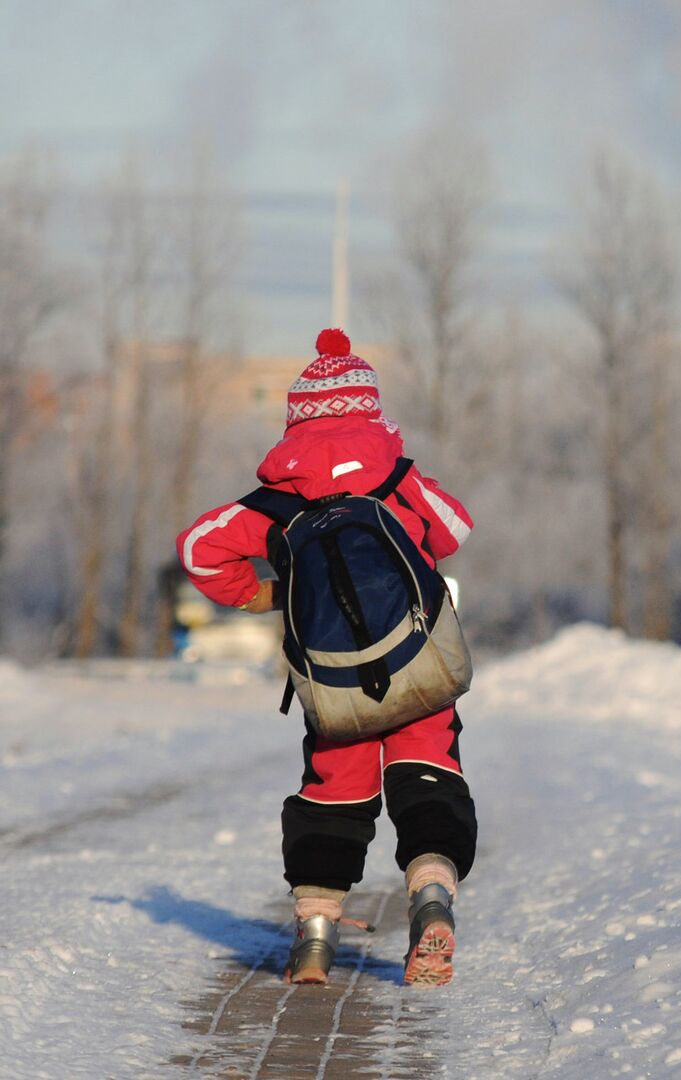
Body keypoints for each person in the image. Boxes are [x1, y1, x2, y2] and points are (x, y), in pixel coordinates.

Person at [176, 328, 477, 986]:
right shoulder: (399, 477)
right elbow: (454, 530)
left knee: (333, 795)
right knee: (429, 780)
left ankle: (314, 939)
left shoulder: (279, 501)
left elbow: (198, 548)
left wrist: (259, 594)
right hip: (420, 668)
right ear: (370, 412)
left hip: (335, 687)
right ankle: (431, 901)